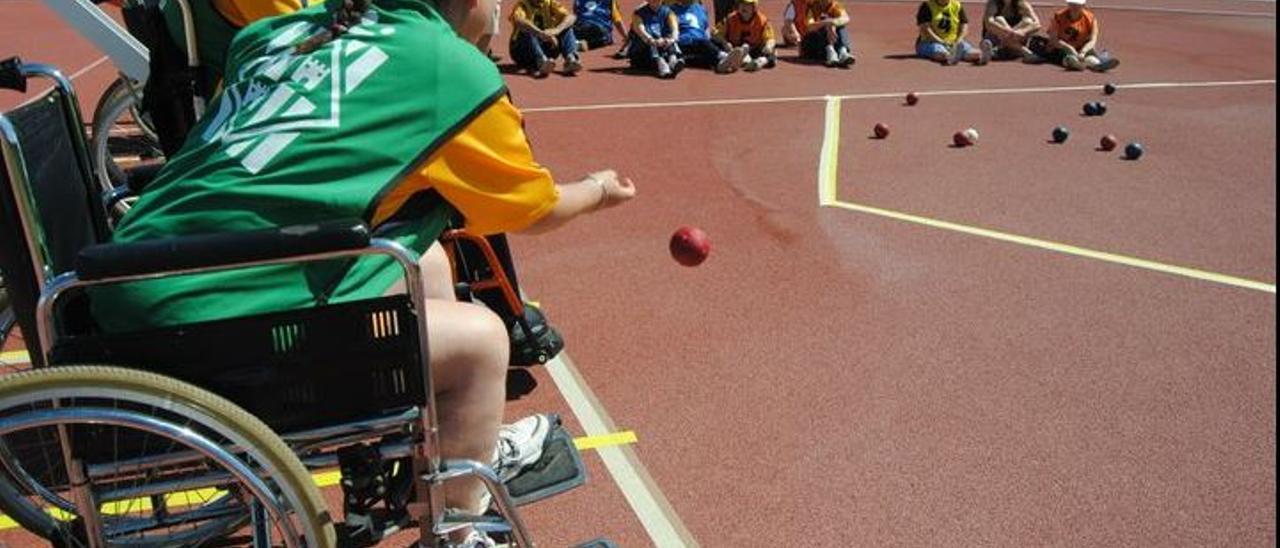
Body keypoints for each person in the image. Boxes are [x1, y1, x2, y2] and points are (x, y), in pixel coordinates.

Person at [91, 1, 637, 545]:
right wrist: (597, 189)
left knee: (423, 261)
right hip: (207, 315)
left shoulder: (286, 29)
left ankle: (454, 448)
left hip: (133, 272)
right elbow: (528, 210)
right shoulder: (447, 66)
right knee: (481, 340)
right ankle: (457, 532)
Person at [509, 0, 584, 76]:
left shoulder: (550, 3)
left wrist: (557, 30)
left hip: (546, 45)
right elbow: (519, 21)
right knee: (527, 30)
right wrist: (539, 33)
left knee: (567, 27)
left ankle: (570, 59)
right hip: (522, 50)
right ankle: (541, 61)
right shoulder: (522, 5)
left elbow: (571, 17)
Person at [670, 0, 745, 73]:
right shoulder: (672, 11)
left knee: (711, 47)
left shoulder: (700, 9)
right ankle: (725, 57)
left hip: (701, 44)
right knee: (703, 44)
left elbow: (706, 29)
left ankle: (720, 65)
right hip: (684, 42)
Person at [1042, 0, 1119, 71]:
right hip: (1061, 48)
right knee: (1068, 58)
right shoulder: (1058, 17)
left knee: (1090, 58)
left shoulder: (1090, 18)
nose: (1074, 7)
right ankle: (1075, 64)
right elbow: (1053, 40)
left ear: (1083, 5)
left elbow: (1093, 40)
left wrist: (1083, 52)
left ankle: (1097, 65)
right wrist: (1070, 49)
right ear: (1068, 4)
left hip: (1081, 47)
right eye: (1072, 4)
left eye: (1078, 4)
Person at [916, 0, 991, 65]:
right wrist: (941, 41)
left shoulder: (956, 5)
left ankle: (982, 55)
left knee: (968, 50)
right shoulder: (927, 6)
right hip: (930, 42)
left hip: (953, 42)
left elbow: (964, 25)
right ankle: (950, 57)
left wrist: (959, 39)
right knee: (939, 50)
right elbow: (926, 29)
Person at [716, 0, 777, 71]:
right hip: (734, 49)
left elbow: (771, 38)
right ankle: (736, 60)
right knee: (715, 44)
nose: (743, 7)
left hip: (754, 49)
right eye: (741, 3)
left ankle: (760, 61)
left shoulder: (762, 20)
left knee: (773, 50)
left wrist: (768, 46)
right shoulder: (730, 18)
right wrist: (725, 43)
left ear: (754, 7)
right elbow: (716, 33)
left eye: (747, 4)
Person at [628, 0, 684, 78]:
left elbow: (675, 30)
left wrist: (670, 40)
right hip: (642, 54)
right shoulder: (638, 14)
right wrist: (652, 40)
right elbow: (641, 31)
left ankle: (673, 61)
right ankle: (662, 65)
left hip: (660, 48)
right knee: (652, 42)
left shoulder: (668, 12)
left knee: (669, 38)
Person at [799, 0, 855, 67]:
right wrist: (827, 23)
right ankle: (830, 51)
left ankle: (843, 52)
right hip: (812, 44)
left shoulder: (834, 5)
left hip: (831, 40)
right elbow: (810, 27)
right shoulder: (811, 7)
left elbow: (846, 18)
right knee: (823, 23)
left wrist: (832, 23)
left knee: (841, 26)